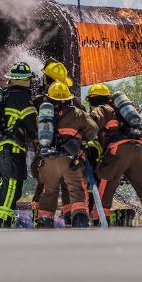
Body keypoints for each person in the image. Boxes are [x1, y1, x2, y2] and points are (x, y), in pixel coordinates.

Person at [86, 83, 142, 223]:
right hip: (139, 149)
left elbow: (91, 124)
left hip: (119, 150)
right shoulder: (121, 112)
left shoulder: (102, 109)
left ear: (92, 100)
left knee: (106, 184)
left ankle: (100, 220)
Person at [35, 81, 98, 228]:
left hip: (49, 160)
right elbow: (93, 131)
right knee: (76, 188)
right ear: (68, 98)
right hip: (72, 161)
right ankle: (80, 219)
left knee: (49, 191)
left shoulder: (43, 116)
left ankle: (45, 220)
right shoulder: (78, 114)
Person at [0, 62, 37, 228]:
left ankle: (4, 217)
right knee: (12, 184)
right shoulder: (22, 98)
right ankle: (3, 220)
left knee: (10, 185)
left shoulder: (6, 95)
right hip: (12, 147)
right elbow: (31, 124)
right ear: (26, 80)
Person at [31, 59, 83, 225]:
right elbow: (87, 123)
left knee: (45, 187)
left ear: (47, 80)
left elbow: (30, 124)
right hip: (69, 154)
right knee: (70, 186)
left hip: (45, 154)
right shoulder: (73, 103)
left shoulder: (39, 101)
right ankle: (70, 218)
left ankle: (40, 219)